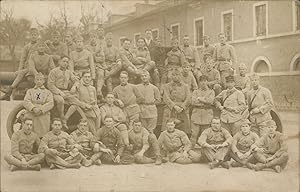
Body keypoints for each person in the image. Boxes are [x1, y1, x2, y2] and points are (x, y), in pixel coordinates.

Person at [47, 56, 86, 126]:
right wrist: (59, 92)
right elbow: (50, 85)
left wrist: (74, 86)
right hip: (55, 92)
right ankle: (61, 116)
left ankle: (65, 118)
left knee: (76, 102)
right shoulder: (53, 71)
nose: (65, 63)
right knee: (60, 100)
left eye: (67, 62)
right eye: (64, 61)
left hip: (66, 91)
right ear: (59, 62)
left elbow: (77, 81)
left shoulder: (69, 72)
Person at [3, 28, 40, 100]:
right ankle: (9, 93)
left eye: (35, 35)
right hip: (28, 67)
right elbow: (22, 59)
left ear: (38, 36)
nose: (33, 36)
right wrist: (20, 69)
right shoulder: (27, 47)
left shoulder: (40, 45)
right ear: (30, 36)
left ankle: (9, 91)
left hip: (36, 67)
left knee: (21, 74)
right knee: (20, 74)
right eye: (32, 35)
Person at [23, 73, 54, 137]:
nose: (39, 81)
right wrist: (33, 108)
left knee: (43, 132)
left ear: (43, 81)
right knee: (30, 128)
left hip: (43, 113)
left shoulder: (48, 92)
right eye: (37, 79)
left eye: (40, 79)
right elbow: (26, 101)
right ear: (35, 81)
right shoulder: (30, 91)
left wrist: (41, 109)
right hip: (32, 112)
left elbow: (50, 103)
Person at [162, 69, 191, 135]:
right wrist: (174, 106)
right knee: (168, 127)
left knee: (184, 129)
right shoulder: (167, 86)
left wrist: (182, 107)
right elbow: (166, 98)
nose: (175, 76)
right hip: (170, 108)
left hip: (182, 109)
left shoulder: (186, 86)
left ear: (180, 75)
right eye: (173, 75)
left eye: (177, 75)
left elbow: (188, 98)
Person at [190, 75, 215, 148]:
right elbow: (193, 102)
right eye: (201, 81)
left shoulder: (211, 91)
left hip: (206, 114)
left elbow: (210, 101)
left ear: (207, 82)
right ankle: (191, 150)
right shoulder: (195, 91)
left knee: (205, 135)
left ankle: (205, 152)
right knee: (194, 134)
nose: (203, 83)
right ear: (199, 82)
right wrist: (204, 100)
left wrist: (200, 99)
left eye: (205, 81)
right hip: (196, 114)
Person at [86, 31, 106, 99]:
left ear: (96, 38)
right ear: (89, 39)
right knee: (89, 76)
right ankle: (89, 96)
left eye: (94, 37)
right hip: (89, 66)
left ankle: (98, 91)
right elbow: (87, 58)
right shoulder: (86, 47)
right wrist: (95, 55)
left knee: (100, 74)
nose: (93, 39)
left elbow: (102, 58)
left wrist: (94, 57)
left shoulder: (99, 47)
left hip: (99, 65)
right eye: (91, 37)